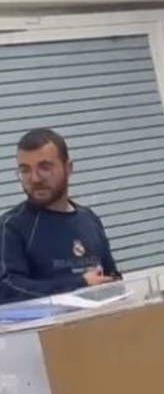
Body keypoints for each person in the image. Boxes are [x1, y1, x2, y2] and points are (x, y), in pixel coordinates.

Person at [0, 128, 119, 303]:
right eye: (25, 170)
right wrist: (79, 284)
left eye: (44, 167)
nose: (35, 178)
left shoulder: (89, 219)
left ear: (68, 168)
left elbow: (113, 279)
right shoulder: (11, 226)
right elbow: (8, 290)